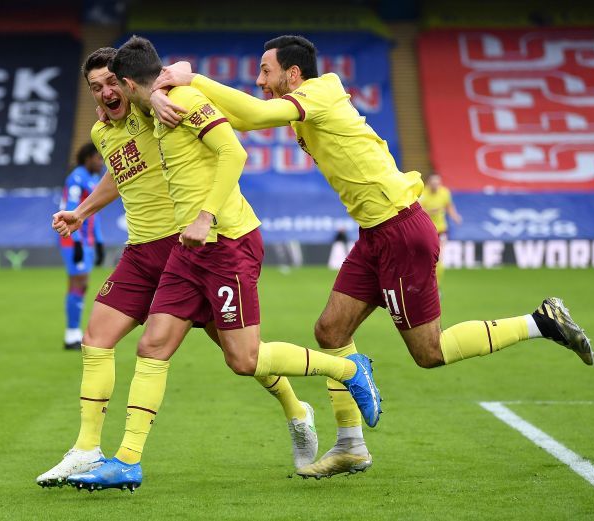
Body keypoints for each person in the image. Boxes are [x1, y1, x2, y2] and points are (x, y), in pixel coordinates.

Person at [152, 34, 594, 479]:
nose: (259, 80)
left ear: (293, 73)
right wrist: (158, 95)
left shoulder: (321, 89)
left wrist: (196, 77)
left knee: (430, 352)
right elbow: (234, 117)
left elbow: (254, 116)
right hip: (374, 234)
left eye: (265, 71)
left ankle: (541, 322)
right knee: (330, 330)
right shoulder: (303, 110)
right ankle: (350, 446)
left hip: (401, 230)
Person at [65, 36, 381, 493]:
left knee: (243, 359)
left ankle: (349, 370)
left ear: (129, 83)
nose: (110, 95)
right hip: (187, 250)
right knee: (152, 347)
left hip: (227, 241)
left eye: (116, 85)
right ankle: (127, 461)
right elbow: (142, 103)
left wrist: (205, 213)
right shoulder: (147, 107)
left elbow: (236, 152)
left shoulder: (184, 100)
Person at [59, 143, 105, 350]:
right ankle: (72, 334)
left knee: (80, 284)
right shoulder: (76, 178)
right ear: (88, 158)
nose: (101, 163)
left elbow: (94, 214)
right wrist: (76, 242)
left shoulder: (93, 179)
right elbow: (70, 210)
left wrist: (100, 240)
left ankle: (73, 332)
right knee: (79, 283)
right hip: (73, 238)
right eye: (98, 159)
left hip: (86, 240)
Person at [419, 173, 462, 286]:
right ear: (428, 183)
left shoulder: (445, 192)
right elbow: (418, 212)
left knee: (439, 259)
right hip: (426, 230)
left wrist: (455, 216)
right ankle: (425, 283)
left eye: (437, 183)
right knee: (426, 258)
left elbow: (449, 206)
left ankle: (435, 286)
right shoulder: (422, 193)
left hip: (441, 229)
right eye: (433, 183)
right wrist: (430, 212)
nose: (435, 185)